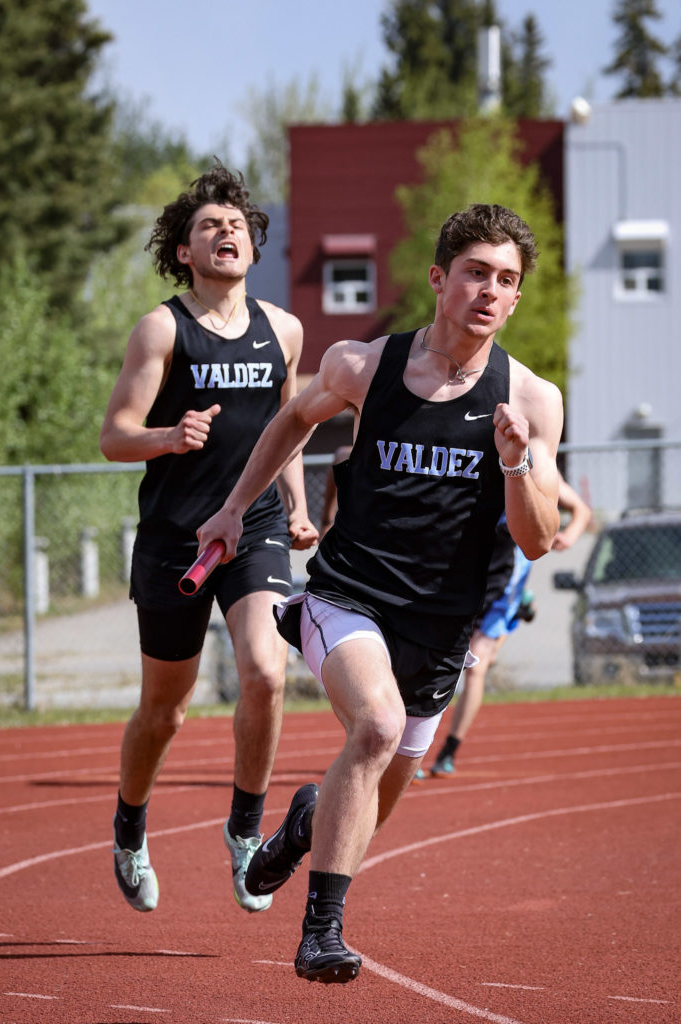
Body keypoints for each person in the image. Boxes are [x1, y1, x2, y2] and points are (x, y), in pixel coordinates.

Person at [197, 203, 564, 983]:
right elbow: (293, 419)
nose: (488, 291)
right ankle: (320, 935)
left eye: (505, 280)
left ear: (516, 297)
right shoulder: (362, 366)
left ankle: (302, 826)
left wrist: (514, 463)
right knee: (374, 727)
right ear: (439, 279)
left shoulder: (531, 400)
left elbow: (535, 539)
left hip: (441, 627)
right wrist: (234, 508)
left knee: (373, 796)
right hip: (349, 597)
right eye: (474, 273)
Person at [99, 162, 318, 917]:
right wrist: (168, 434)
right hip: (174, 538)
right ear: (184, 252)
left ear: (253, 245)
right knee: (166, 710)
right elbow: (112, 437)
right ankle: (129, 829)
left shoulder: (283, 329)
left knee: (265, 670)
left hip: (253, 525)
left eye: (236, 225)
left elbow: (285, 432)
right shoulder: (162, 327)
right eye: (208, 227)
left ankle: (245, 831)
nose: (226, 233)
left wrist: (294, 505)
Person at [425, 474, 592, 778]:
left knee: (476, 666)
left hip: (504, 587)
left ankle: (448, 750)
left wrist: (569, 534)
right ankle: (413, 750)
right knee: (434, 662)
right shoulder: (473, 454)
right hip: (460, 579)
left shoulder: (537, 466)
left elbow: (581, 510)